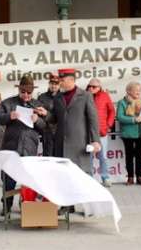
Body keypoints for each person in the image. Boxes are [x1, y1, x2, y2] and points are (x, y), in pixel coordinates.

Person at [36, 68, 100, 215]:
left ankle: (87, 207)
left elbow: (93, 119)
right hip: (61, 143)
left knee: (81, 176)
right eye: (59, 80)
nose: (60, 83)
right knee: (64, 176)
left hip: (79, 143)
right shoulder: (58, 97)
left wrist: (95, 140)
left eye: (62, 80)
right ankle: (67, 205)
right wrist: (45, 114)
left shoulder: (85, 96)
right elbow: (55, 119)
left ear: (71, 80)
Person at [0, 75, 46, 216]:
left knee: (28, 178)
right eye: (23, 92)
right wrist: (8, 117)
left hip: (29, 147)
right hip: (11, 145)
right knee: (9, 178)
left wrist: (37, 121)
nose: (25, 95)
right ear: (19, 90)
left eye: (28, 92)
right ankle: (7, 205)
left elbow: (45, 127)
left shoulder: (37, 105)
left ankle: (25, 203)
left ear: (32, 92)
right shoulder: (8, 103)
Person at [116, 81, 141, 186]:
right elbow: (120, 117)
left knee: (140, 155)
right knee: (129, 155)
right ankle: (130, 177)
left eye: (140, 90)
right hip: (128, 133)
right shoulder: (122, 102)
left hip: (140, 132)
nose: (138, 92)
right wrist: (134, 120)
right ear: (129, 91)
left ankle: (139, 176)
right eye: (136, 90)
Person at [86, 78, 115, 187]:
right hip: (87, 132)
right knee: (89, 157)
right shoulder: (84, 95)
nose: (91, 88)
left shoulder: (105, 96)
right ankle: (89, 179)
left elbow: (112, 110)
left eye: (94, 87)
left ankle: (105, 178)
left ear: (99, 87)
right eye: (89, 86)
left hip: (101, 131)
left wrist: (109, 124)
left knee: (103, 156)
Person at [37, 74, 60, 157]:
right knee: (48, 156)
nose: (53, 86)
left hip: (59, 131)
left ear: (59, 84)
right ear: (49, 84)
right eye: (52, 83)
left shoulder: (63, 97)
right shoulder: (42, 97)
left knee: (59, 156)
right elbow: (38, 115)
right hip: (47, 131)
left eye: (56, 84)